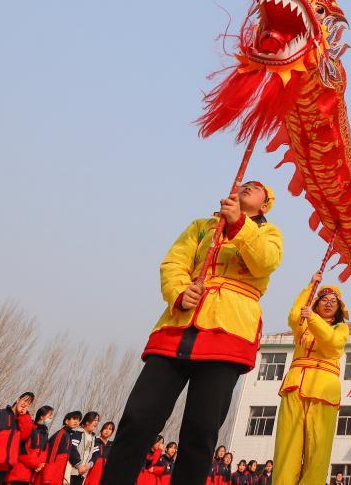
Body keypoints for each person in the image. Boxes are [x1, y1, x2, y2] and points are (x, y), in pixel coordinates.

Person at [103, 180, 282, 485]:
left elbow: (264, 262)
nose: (248, 186)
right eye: (245, 184)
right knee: (138, 418)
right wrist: (179, 292)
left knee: (200, 431)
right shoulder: (202, 226)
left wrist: (239, 223)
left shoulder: (268, 233)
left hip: (227, 333)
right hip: (178, 328)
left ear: (265, 206)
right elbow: (174, 263)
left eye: (256, 188)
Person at [273, 278, 349, 485]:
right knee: (286, 451)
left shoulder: (341, 329)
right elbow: (294, 314)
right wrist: (310, 287)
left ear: (339, 309)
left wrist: (313, 319)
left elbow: (331, 344)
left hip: (324, 393)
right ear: (315, 304)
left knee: (317, 454)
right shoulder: (303, 326)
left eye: (334, 301)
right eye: (323, 299)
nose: (328, 303)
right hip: (295, 388)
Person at [7, 405, 52, 485]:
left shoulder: (45, 433)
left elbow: (44, 453)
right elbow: (23, 450)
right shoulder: (31, 428)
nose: (51, 418)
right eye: (50, 415)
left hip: (33, 476)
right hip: (20, 474)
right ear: (42, 416)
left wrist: (41, 465)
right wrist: (37, 464)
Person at [42, 411, 83, 485]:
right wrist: (47, 478)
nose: (76, 422)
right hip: (51, 478)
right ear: (67, 421)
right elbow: (51, 455)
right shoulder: (61, 434)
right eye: (74, 419)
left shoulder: (68, 435)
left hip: (58, 477)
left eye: (78, 420)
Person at [68, 412, 100, 485]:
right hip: (73, 471)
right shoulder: (78, 433)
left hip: (83, 474)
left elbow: (96, 454)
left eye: (97, 420)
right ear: (87, 422)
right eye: (94, 420)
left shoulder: (94, 438)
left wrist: (88, 466)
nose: (96, 422)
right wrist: (79, 466)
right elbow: (72, 449)